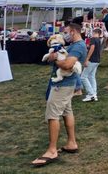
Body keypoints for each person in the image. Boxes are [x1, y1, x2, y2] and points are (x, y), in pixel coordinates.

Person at [31, 23, 87, 167]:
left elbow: (67, 64)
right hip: (66, 85)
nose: (64, 35)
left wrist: (55, 57)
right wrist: (54, 56)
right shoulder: (73, 45)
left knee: (52, 115)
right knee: (67, 112)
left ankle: (51, 151)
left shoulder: (78, 46)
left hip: (62, 86)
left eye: (67, 32)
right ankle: (71, 143)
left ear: (73, 31)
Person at [81, 28, 102, 102]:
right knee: (91, 76)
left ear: (94, 32)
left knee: (83, 77)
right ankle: (94, 94)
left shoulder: (93, 39)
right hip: (97, 60)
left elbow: (92, 48)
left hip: (92, 60)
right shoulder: (99, 40)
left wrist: (87, 59)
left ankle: (91, 94)